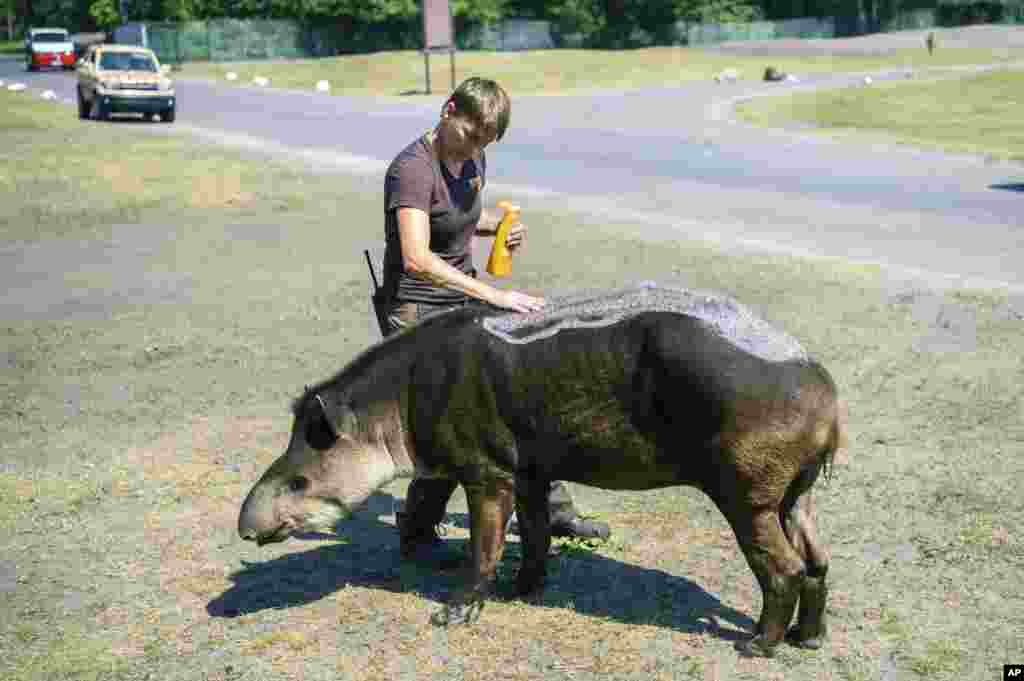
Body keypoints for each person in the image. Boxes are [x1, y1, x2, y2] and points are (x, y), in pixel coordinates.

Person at [378, 76, 610, 567]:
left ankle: (553, 512)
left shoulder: (473, 155)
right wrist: (494, 295)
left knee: (515, 406)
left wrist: (497, 227)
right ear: (447, 111)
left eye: (486, 142)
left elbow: (460, 218)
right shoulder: (412, 170)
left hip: (460, 298)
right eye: (471, 135)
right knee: (445, 424)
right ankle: (417, 536)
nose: (476, 149)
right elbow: (417, 256)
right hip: (417, 309)